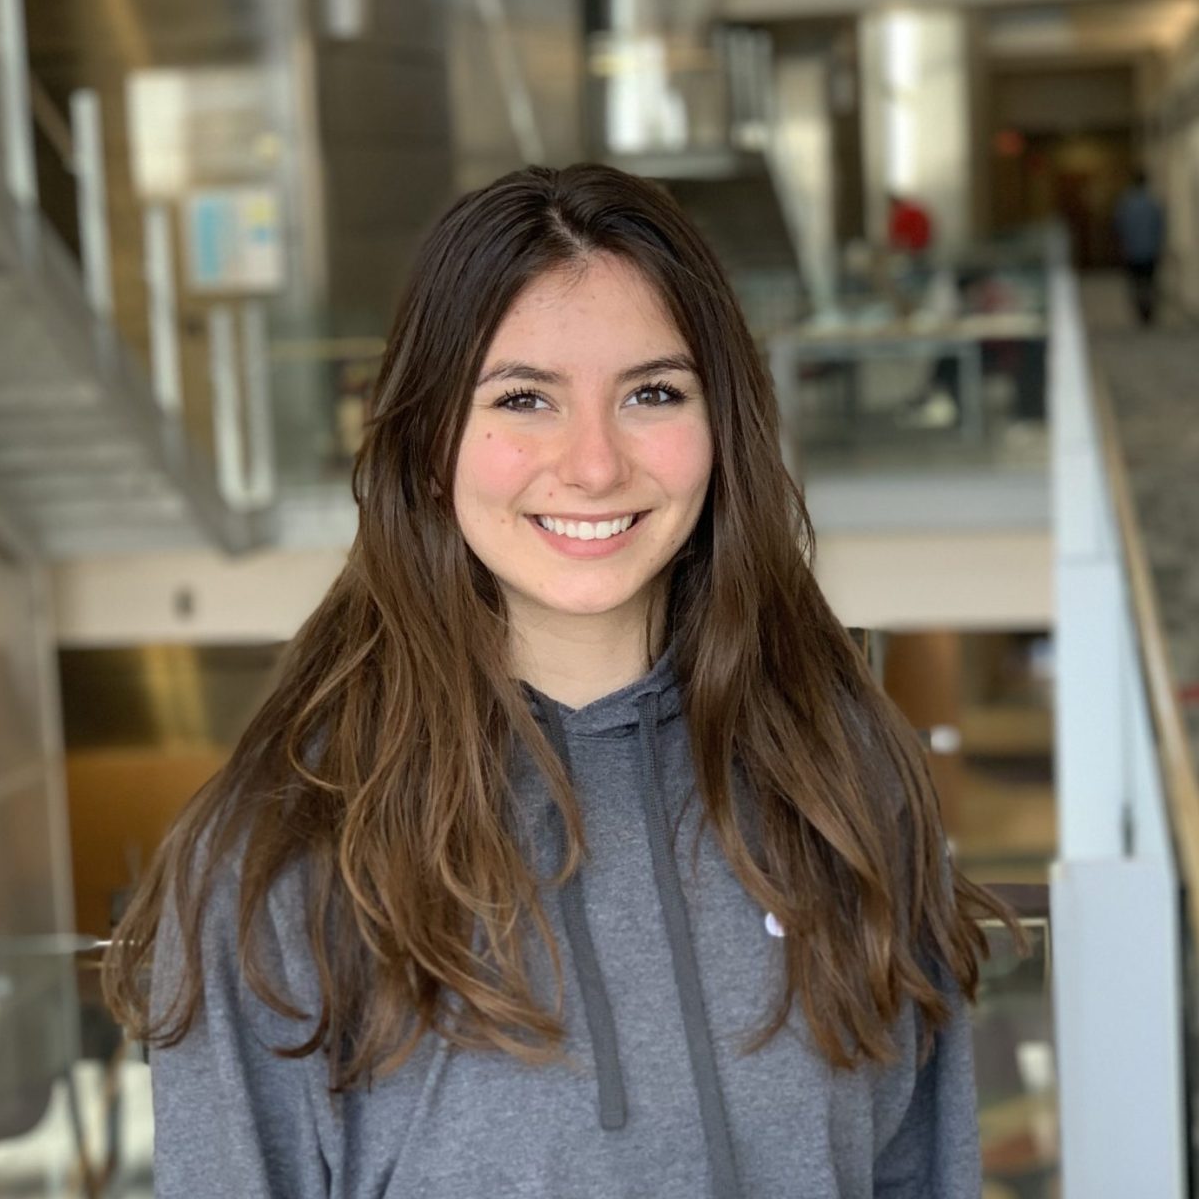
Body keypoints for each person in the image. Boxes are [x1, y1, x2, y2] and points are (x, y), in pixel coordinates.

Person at [104, 163, 1016, 1198]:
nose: (593, 465)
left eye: (653, 393)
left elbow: (917, 1171)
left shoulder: (842, 781)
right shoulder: (285, 855)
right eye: (524, 399)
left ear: (725, 427)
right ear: (428, 440)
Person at [1114, 169, 1166, 325]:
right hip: (1150, 251)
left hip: (1132, 250)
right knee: (1149, 282)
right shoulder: (1153, 203)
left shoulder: (1126, 203)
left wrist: (1122, 245)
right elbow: (1160, 227)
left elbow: (1119, 226)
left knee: (1136, 282)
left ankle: (1140, 309)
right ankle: (1148, 310)